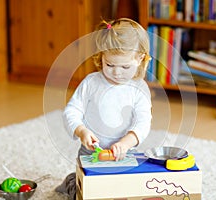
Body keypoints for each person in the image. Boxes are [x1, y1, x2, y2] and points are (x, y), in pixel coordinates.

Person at [55, 18, 152, 199]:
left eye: (125, 66)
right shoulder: (91, 83)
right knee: (88, 192)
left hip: (125, 154)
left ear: (140, 59)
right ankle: (72, 182)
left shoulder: (139, 89)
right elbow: (72, 111)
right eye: (110, 65)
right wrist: (82, 131)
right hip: (91, 153)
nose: (116, 72)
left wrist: (125, 143)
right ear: (101, 56)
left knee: (125, 192)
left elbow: (143, 123)